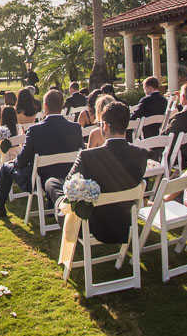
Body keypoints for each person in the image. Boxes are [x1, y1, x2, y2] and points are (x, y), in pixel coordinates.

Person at [46, 101, 148, 244]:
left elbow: (69, 185)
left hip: (93, 224)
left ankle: (61, 216)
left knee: (52, 183)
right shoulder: (141, 154)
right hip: (125, 223)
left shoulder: (87, 156)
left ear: (104, 125)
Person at [0, 90, 83, 219]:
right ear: (61, 106)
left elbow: (22, 161)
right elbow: (81, 155)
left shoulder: (35, 130)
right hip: (67, 175)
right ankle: (51, 204)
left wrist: (14, 163)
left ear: (45, 106)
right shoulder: (75, 127)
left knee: (5, 167)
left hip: (40, 178)